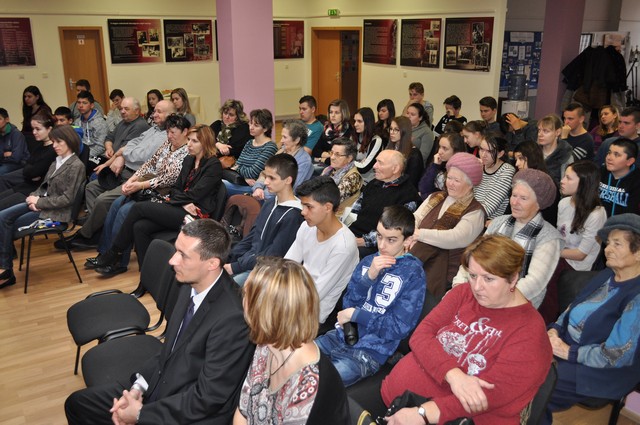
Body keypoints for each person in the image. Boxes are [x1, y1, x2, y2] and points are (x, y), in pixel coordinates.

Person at [65, 219, 255, 424]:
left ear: (212, 263)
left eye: (183, 255)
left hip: (184, 409)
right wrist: (137, 388)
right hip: (159, 385)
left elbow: (207, 398)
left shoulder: (234, 318)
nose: (172, 260)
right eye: (176, 250)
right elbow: (169, 350)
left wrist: (141, 414)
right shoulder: (189, 283)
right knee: (78, 404)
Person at [381, 235, 553, 425]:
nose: (477, 287)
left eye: (488, 279)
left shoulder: (529, 333)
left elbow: (487, 397)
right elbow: (421, 336)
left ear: (513, 279)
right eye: (472, 275)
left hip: (441, 417)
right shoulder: (464, 293)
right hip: (396, 400)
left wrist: (424, 413)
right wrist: (453, 375)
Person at [544, 213, 640, 424]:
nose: (607, 249)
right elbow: (572, 308)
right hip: (569, 346)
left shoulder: (637, 297)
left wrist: (567, 351)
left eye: (617, 244)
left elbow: (616, 355)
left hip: (605, 369)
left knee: (539, 387)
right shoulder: (607, 275)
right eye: (608, 243)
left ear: (638, 253)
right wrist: (554, 330)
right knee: (518, 363)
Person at [316, 205, 426, 386]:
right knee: (293, 361)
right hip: (340, 335)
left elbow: (398, 327)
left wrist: (357, 315)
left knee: (318, 384)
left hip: (369, 352)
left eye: (391, 240)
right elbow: (348, 303)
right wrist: (368, 278)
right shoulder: (369, 262)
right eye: (379, 236)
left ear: (407, 240)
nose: (381, 245)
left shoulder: (413, 274)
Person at [234, 257, 350, 425]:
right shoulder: (266, 344)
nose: (242, 302)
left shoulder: (309, 386)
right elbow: (243, 410)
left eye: (246, 296)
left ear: (265, 311)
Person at [94, 124, 222, 274]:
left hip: (197, 215)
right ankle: (147, 275)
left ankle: (115, 252)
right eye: (189, 140)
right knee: (139, 227)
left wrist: (183, 200)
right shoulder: (189, 160)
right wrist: (184, 202)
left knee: (138, 208)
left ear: (205, 143)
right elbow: (175, 189)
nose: (189, 144)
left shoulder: (213, 165)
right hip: (182, 207)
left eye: (194, 141)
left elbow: (196, 195)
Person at [59, 100, 175, 250]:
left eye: (159, 112)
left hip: (138, 177)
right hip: (124, 169)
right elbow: (133, 142)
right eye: (155, 111)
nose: (154, 114)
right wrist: (123, 154)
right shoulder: (154, 129)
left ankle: (86, 235)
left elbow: (143, 155)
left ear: (171, 114)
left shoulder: (167, 136)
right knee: (91, 187)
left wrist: (122, 154)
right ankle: (97, 231)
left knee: (102, 200)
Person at [84, 114, 191, 273]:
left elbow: (169, 179)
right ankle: (105, 252)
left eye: (173, 132)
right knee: (116, 204)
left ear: (185, 132)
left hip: (163, 193)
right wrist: (132, 180)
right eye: (168, 132)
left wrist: (139, 185)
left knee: (125, 212)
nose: (169, 136)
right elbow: (149, 164)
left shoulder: (187, 151)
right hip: (147, 186)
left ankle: (118, 261)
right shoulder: (167, 144)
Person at [454, 168, 563, 308]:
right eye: (514, 195)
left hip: (515, 304)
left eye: (523, 198)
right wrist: (459, 284)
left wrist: (492, 297)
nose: (515, 202)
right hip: (479, 293)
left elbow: (534, 283)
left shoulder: (548, 237)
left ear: (539, 204)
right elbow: (474, 258)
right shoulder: (499, 222)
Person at [0, 125, 85, 288]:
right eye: (53, 142)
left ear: (69, 141)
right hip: (43, 205)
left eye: (58, 142)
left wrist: (39, 203)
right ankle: (5, 268)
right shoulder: (56, 162)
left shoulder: (76, 166)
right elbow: (43, 187)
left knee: (9, 224)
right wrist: (33, 198)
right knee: (2, 216)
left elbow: (67, 199)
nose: (54, 146)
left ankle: (6, 270)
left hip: (57, 213)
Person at [538, 161, 607, 323]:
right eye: (564, 177)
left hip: (576, 265)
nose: (562, 181)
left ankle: (545, 322)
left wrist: (550, 251)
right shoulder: (564, 203)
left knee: (546, 275)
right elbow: (559, 235)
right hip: (561, 255)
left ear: (583, 183)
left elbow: (581, 254)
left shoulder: (596, 214)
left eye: (568, 178)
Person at [285, 176, 359, 325]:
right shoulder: (307, 226)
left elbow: (316, 294)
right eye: (302, 205)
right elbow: (287, 265)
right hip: (292, 296)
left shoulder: (344, 246)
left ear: (327, 207)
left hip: (311, 314)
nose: (303, 212)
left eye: (309, 207)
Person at [411, 152, 486, 299]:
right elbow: (415, 218)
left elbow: (456, 238)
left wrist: (419, 235)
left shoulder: (475, 211)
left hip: (443, 271)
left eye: (456, 180)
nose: (450, 183)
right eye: (449, 178)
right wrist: (411, 234)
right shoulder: (436, 197)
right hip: (417, 257)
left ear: (470, 184)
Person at [224, 154, 304, 286]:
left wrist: (236, 266)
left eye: (272, 178)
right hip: (248, 262)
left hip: (266, 271)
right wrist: (230, 256)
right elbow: (252, 236)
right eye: (266, 176)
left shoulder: (294, 215)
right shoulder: (270, 203)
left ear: (288, 180)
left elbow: (274, 255)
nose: (266, 182)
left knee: (227, 287)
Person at [348, 150, 421, 258]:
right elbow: (354, 211)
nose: (374, 166)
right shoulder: (374, 183)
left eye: (380, 163)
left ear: (395, 169)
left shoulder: (408, 196)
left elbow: (393, 230)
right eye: (376, 161)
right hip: (353, 234)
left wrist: (361, 241)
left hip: (376, 246)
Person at [0, 112, 57, 209]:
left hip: (34, 191)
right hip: (25, 185)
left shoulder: (53, 149)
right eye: (33, 129)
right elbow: (28, 169)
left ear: (49, 129)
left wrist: (31, 172)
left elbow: (35, 171)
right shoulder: (38, 146)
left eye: (38, 129)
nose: (34, 132)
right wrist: (31, 173)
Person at [252, 119, 313, 202]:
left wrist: (262, 194)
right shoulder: (281, 151)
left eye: (285, 137)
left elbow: (291, 189)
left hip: (278, 200)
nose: (281, 141)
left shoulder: (304, 161)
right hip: (263, 193)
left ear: (296, 140)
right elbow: (265, 173)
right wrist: (258, 188)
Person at [222, 108, 278, 196]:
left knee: (218, 184)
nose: (251, 127)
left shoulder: (270, 147)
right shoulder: (249, 143)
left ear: (265, 128)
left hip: (255, 187)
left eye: (256, 125)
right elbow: (237, 164)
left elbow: (253, 172)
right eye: (250, 123)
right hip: (242, 181)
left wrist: (239, 170)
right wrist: (244, 177)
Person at [511, 140, 560, 227]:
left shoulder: (547, 184)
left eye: (521, 158)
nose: (517, 163)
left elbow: (547, 216)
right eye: (516, 159)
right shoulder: (518, 179)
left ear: (532, 158)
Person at [474, 134, 515, 220]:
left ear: (500, 154)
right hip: (470, 214)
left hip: (486, 220)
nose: (483, 155)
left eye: (490, 151)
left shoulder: (506, 171)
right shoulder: (479, 165)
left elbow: (487, 209)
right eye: (481, 149)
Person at [418, 131, 467, 200]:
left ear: (456, 151)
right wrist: (434, 165)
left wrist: (426, 195)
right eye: (439, 147)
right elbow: (423, 187)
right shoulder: (439, 163)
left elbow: (449, 197)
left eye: (445, 148)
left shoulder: (460, 172)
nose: (439, 152)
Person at [322, 138, 363, 217]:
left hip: (336, 218)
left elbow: (329, 200)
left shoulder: (353, 178)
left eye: (337, 155)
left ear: (349, 158)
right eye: (331, 153)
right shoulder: (328, 170)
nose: (332, 157)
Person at [598, 138, 640, 216]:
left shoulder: (637, 181)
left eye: (616, 155)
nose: (609, 158)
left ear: (629, 161)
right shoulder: (601, 171)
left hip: (624, 223)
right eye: (609, 153)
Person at [312, 99, 354, 165]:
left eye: (337, 113)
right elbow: (315, 151)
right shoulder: (327, 129)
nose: (333, 115)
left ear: (344, 114)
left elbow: (341, 159)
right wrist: (328, 155)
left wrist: (321, 159)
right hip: (324, 165)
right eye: (331, 112)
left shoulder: (349, 131)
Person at [387, 117, 424, 188]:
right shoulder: (391, 148)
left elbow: (411, 182)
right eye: (391, 129)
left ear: (405, 132)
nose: (391, 132)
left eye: (396, 130)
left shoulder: (414, 155)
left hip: (403, 190)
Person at [73, 90, 108, 166]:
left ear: (92, 105)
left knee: (79, 166)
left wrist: (83, 155)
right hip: (82, 154)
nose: (81, 105)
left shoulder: (100, 122)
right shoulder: (77, 122)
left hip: (98, 156)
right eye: (79, 102)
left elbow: (101, 147)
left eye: (84, 103)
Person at [537, 114, 574, 185]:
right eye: (539, 130)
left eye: (545, 131)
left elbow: (566, 185)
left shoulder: (565, 156)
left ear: (557, 132)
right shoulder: (533, 152)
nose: (540, 134)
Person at [352, 107, 384, 183]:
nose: (355, 124)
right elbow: (346, 156)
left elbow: (364, 168)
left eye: (359, 121)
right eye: (355, 121)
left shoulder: (376, 140)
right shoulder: (355, 136)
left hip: (367, 182)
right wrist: (358, 163)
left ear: (368, 123)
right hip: (352, 176)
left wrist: (347, 161)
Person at [21, 86, 52, 153]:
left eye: (29, 96)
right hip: (28, 137)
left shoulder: (44, 109)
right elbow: (25, 127)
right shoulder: (27, 110)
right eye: (25, 97)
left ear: (37, 97)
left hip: (38, 138)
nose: (26, 99)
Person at [0, 107, 29, 176]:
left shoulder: (16, 134)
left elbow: (16, 158)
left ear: (7, 119)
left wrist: (2, 156)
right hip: (4, 162)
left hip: (20, 163)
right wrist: (4, 154)